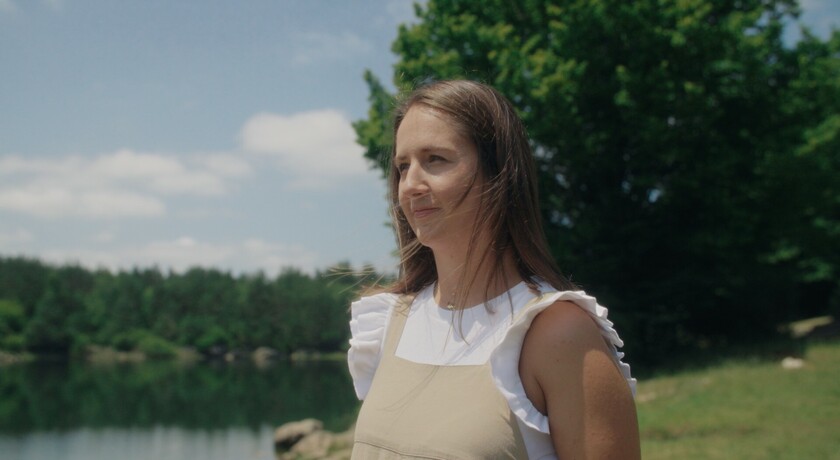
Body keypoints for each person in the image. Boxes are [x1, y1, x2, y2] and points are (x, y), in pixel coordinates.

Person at [347, 80, 640, 459]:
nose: (411, 185)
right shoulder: (389, 323)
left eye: (435, 159)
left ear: (499, 173)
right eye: (403, 166)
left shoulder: (556, 333)